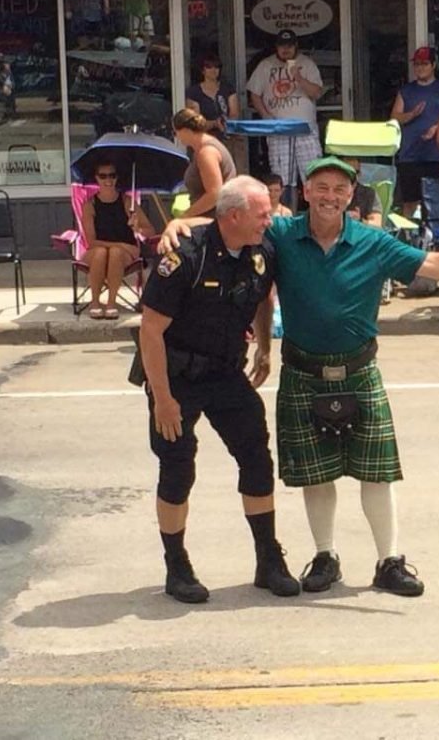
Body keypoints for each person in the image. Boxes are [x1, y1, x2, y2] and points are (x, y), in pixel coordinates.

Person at [158, 156, 439, 597]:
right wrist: (176, 224)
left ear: (351, 196)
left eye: (340, 189)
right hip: (302, 369)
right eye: (322, 187)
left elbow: (431, 264)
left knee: (376, 473)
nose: (330, 196)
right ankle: (325, 556)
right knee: (317, 475)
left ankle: (389, 560)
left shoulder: (372, 242)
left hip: (358, 369)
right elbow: (232, 218)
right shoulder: (280, 233)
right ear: (307, 191)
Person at [139, 175, 300, 603]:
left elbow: (265, 298)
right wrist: (164, 400)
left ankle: (268, 558)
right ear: (233, 216)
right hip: (175, 376)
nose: (271, 220)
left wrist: (265, 348)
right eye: (263, 214)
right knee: (178, 467)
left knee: (256, 455)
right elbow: (150, 331)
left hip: (225, 372)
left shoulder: (261, 251)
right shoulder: (185, 256)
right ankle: (177, 566)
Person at [246, 29, 323, 209]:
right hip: (278, 131)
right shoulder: (266, 65)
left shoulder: (307, 63)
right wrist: (266, 116)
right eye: (282, 46)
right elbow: (254, 94)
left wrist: (298, 77)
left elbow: (317, 92)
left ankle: (316, 217)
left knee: (313, 176)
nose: (285, 50)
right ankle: (286, 216)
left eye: (289, 46)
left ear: (295, 46)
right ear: (277, 47)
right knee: (282, 180)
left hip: (305, 130)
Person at [80, 161, 154, 319]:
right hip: (99, 250)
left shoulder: (128, 202)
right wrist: (120, 244)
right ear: (96, 178)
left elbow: (150, 231)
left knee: (115, 253)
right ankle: (95, 301)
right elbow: (91, 242)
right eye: (103, 176)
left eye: (112, 175)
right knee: (101, 252)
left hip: (124, 255)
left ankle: (111, 303)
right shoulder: (89, 205)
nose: (108, 180)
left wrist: (137, 228)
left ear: (117, 178)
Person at [390, 46, 439, 217]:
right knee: (409, 202)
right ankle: (408, 238)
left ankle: (435, 239)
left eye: (424, 64)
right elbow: (394, 118)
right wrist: (411, 114)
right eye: (417, 64)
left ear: (433, 65)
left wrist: (437, 127)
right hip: (410, 154)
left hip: (436, 155)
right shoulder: (406, 90)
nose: (420, 68)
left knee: (436, 201)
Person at [173, 109, 237, 217]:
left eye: (176, 132)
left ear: (186, 130)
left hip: (215, 220)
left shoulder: (207, 153)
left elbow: (214, 194)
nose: (177, 137)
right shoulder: (201, 150)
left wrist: (186, 215)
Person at [185, 53, 239, 142]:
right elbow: (196, 122)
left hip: (228, 138)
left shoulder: (228, 88)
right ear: (202, 70)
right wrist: (215, 123)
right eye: (209, 67)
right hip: (203, 140)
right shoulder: (194, 92)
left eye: (216, 67)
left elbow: (234, 113)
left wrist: (226, 123)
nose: (213, 70)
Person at [341, 156, 383, 228]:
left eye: (355, 172)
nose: (352, 176)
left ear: (359, 174)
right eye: (347, 172)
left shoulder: (369, 194)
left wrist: (360, 221)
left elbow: (377, 224)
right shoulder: (329, 193)